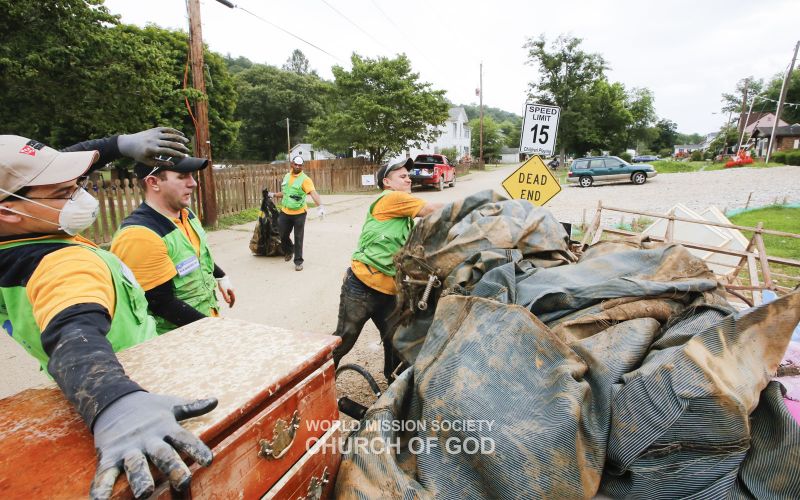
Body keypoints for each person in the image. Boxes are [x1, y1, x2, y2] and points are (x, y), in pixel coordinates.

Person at [0, 133, 216, 499]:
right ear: (8, 210)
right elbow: (74, 333)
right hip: (127, 386)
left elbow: (29, 176)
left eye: (78, 183)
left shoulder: (21, 231)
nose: (83, 196)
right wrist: (116, 404)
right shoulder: (59, 263)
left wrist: (116, 145)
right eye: (65, 192)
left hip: (77, 387)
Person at [332, 158, 443, 382]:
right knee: (345, 338)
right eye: (402, 176)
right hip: (362, 285)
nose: (408, 179)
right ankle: (314, 382)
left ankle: (393, 386)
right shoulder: (391, 198)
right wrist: (474, 205)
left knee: (395, 340)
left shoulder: (402, 216)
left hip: (389, 291)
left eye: (408, 176)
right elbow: (432, 210)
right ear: (387, 182)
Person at [110, 158, 235, 335]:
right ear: (153, 182)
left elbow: (196, 256)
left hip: (203, 324)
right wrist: (215, 330)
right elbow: (160, 303)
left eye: (191, 175)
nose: (193, 183)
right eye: (182, 176)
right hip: (175, 338)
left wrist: (221, 276)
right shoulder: (140, 235)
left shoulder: (186, 214)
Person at [273, 155, 324, 271]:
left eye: (300, 165)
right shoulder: (286, 176)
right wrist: (274, 195)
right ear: (292, 164)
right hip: (285, 211)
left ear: (302, 166)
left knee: (298, 237)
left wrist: (320, 206)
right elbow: (285, 193)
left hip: (299, 213)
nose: (297, 166)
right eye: (296, 164)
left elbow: (313, 193)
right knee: (282, 234)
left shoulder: (305, 179)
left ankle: (298, 261)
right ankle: (289, 250)